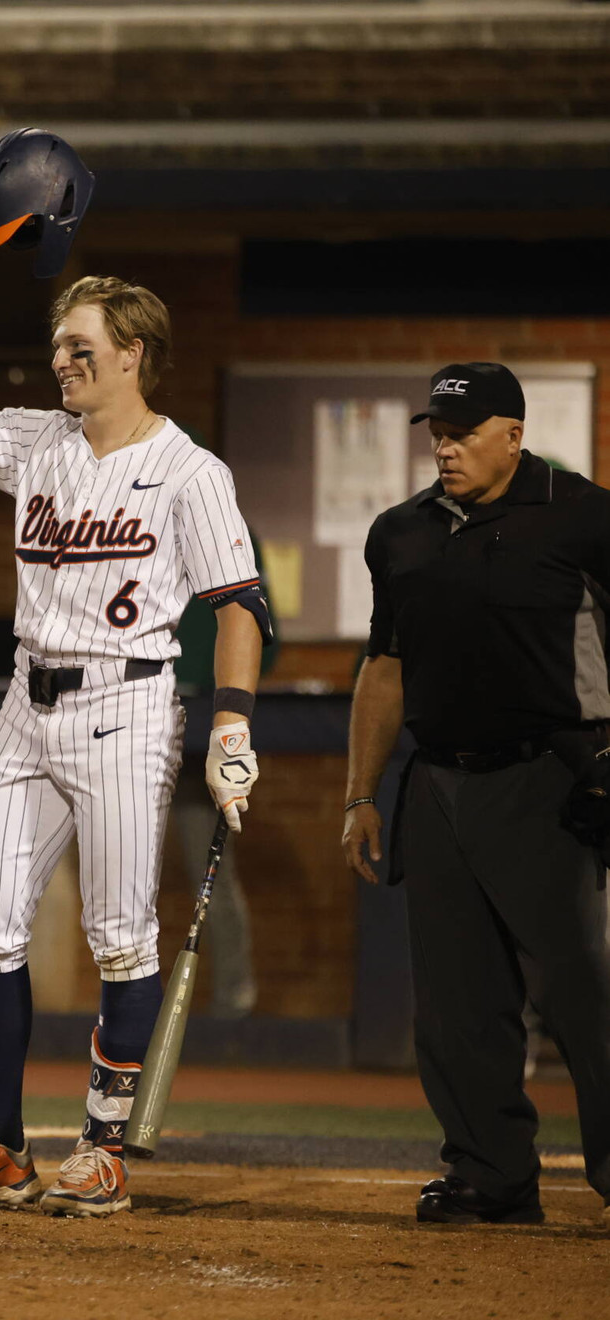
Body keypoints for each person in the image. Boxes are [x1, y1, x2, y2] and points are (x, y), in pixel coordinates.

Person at [0, 241, 270, 1217]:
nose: (61, 361)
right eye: (57, 346)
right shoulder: (37, 440)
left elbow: (238, 607)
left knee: (119, 940)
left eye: (80, 347)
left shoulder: (190, 471)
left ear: (136, 352)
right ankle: (2, 1145)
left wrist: (231, 727)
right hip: (26, 700)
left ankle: (101, 1147)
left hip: (128, 703)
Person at [343, 362, 610, 1226]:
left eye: (463, 433)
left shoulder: (583, 514)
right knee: (459, 1004)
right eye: (438, 433)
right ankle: (491, 1173)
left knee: (588, 992)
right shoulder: (401, 533)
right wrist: (360, 794)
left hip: (558, 779)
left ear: (514, 434)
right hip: (441, 783)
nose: (446, 448)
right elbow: (382, 668)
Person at [169, 527, 278, 1019]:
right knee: (120, 885)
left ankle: (235, 999)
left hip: (204, 737)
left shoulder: (227, 529)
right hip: (126, 725)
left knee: (210, 871)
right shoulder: (119, 517)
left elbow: (264, 638)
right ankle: (131, 1005)